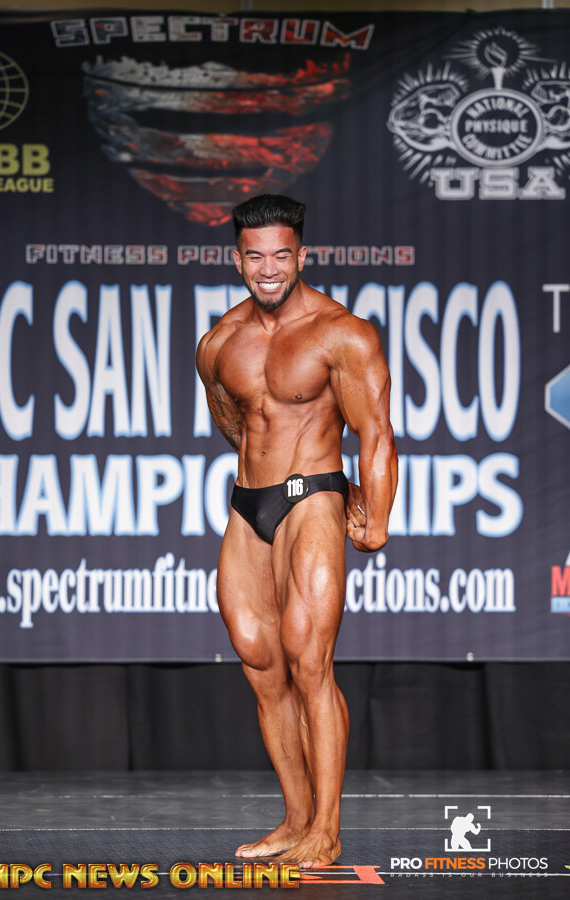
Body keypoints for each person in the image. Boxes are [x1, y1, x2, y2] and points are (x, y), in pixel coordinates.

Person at [196, 194, 397, 869]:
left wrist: (376, 513)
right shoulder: (218, 342)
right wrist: (259, 457)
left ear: (301, 255)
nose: (269, 268)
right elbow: (231, 418)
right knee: (260, 660)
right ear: (238, 260)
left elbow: (375, 432)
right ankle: (295, 818)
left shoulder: (342, 333)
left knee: (309, 660)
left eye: (282, 255)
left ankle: (327, 831)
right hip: (247, 505)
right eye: (256, 256)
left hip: (312, 495)